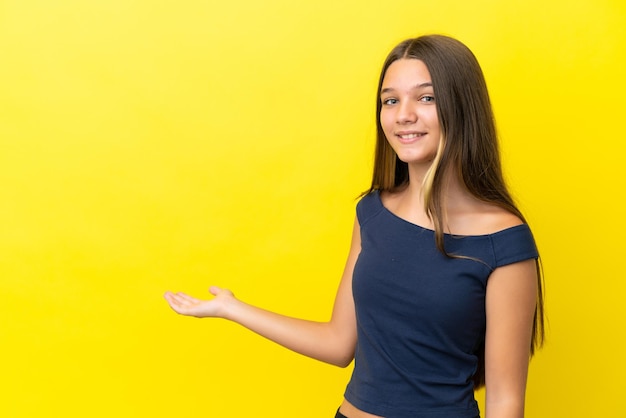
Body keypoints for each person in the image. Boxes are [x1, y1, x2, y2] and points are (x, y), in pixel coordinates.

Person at [164, 34, 545, 418]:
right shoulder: (373, 213)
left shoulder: (503, 242)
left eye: (426, 98)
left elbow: (504, 401)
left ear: (462, 107)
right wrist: (233, 308)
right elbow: (337, 343)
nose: (403, 115)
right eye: (390, 100)